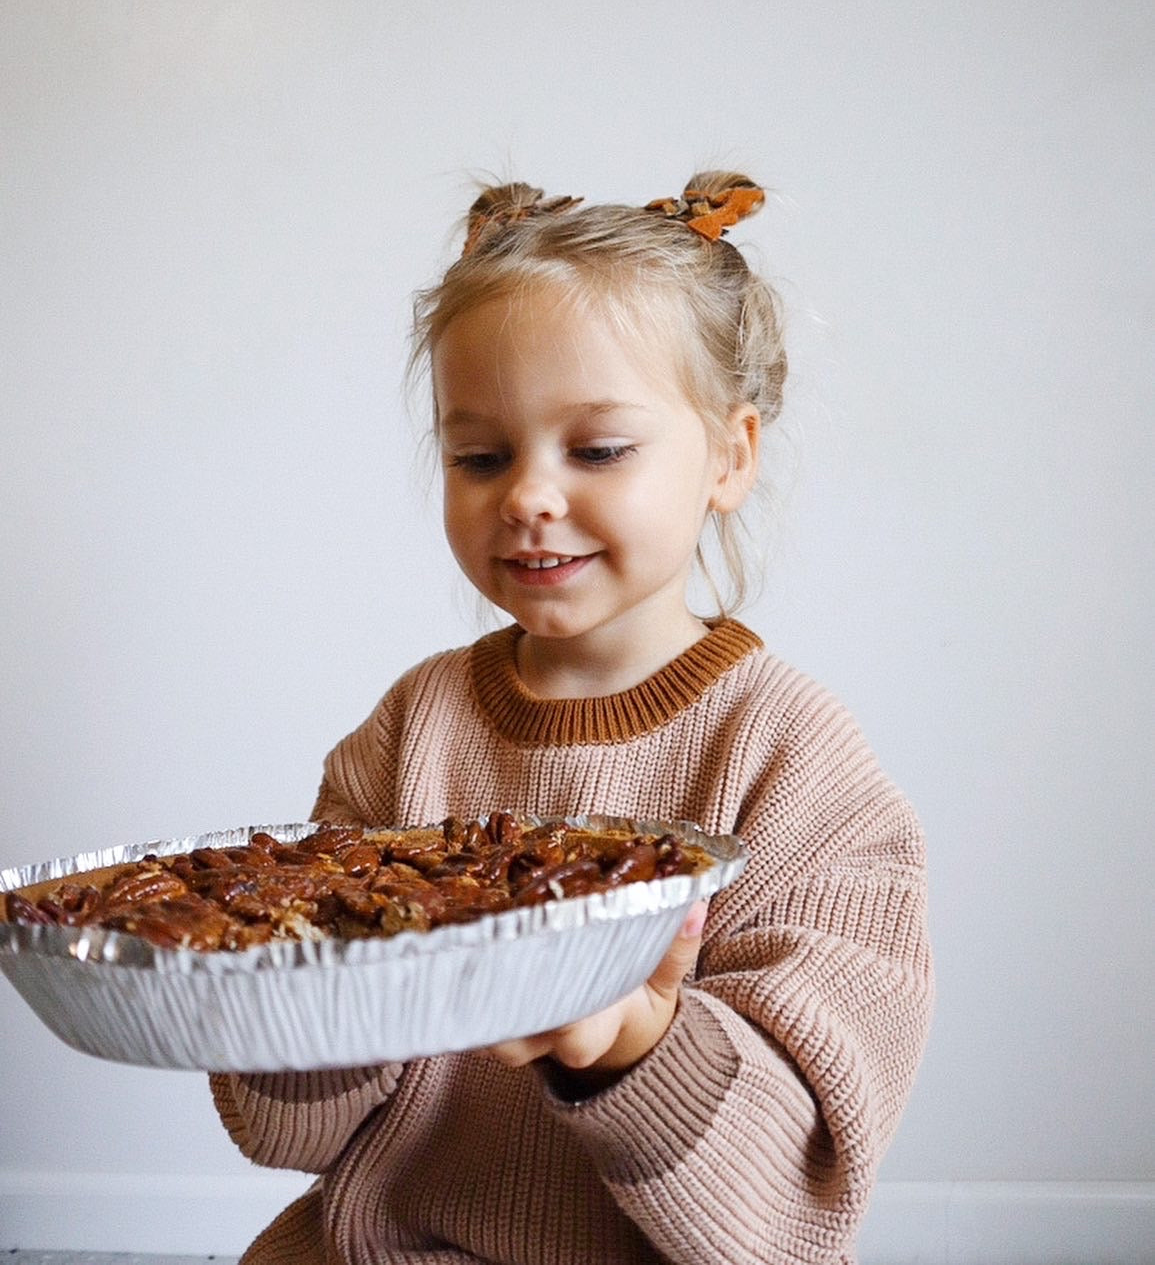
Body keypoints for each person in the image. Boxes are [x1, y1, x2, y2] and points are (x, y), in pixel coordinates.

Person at [210, 172, 933, 1264]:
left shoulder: (796, 763)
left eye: (596, 450)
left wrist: (627, 1041)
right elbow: (284, 1131)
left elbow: (788, 1211)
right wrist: (298, 999)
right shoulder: (413, 728)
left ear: (730, 455)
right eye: (480, 455)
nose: (527, 497)